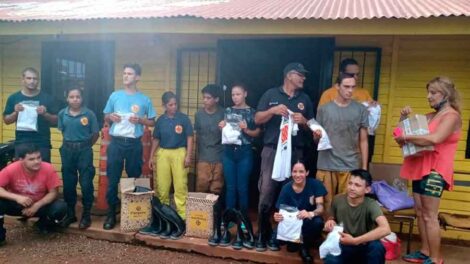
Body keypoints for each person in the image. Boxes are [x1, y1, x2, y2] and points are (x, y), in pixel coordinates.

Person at [395, 77, 461, 264]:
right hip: (420, 166)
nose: (428, 96)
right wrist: (403, 119)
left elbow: (435, 138)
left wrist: (407, 138)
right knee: (420, 211)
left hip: (435, 170)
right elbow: (401, 132)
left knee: (430, 215)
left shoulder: (452, 116)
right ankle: (425, 251)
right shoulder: (431, 116)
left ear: (445, 94)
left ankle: (435, 257)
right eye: (428, 92)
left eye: (433, 92)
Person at [254, 62, 314, 251]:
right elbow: (256, 119)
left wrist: (304, 122)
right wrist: (272, 111)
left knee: (290, 195)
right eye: (300, 75)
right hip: (272, 151)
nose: (304, 78)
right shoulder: (270, 95)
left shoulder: (305, 98)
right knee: (267, 193)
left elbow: (313, 128)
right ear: (289, 75)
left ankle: (285, 236)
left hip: (295, 152)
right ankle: (263, 234)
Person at [102, 63, 157, 230]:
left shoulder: (144, 99)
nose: (125, 76)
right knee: (113, 180)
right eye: (124, 73)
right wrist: (110, 116)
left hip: (134, 144)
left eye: (130, 73)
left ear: (137, 77)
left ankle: (134, 214)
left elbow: (152, 121)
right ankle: (111, 214)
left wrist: (140, 120)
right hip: (116, 143)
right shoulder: (114, 96)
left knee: (135, 178)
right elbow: (105, 115)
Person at [314, 72, 369, 211]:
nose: (350, 90)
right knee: (326, 204)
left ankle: (344, 233)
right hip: (326, 163)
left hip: (350, 164)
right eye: (346, 86)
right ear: (337, 86)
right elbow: (316, 141)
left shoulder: (361, 109)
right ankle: (326, 233)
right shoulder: (324, 109)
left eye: (353, 87)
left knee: (348, 204)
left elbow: (363, 140)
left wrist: (364, 167)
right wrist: (317, 136)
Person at [0, 144, 67, 246]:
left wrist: (36, 206)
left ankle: (43, 224)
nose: (37, 161)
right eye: (31, 159)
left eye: (38, 157)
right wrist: (17, 198)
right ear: (21, 160)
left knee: (60, 208)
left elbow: (53, 193)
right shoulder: (11, 169)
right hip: (17, 205)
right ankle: (1, 237)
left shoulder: (48, 169)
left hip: (39, 206)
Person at [323, 169, 391, 264]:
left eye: (357, 185)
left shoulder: (371, 204)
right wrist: (330, 222)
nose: (352, 188)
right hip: (344, 245)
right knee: (330, 255)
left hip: (364, 245)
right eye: (350, 183)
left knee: (377, 247)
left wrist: (355, 241)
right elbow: (332, 218)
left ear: (367, 189)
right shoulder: (337, 200)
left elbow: (386, 229)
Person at [318, 58, 378, 162]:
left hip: (355, 152)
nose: (355, 77)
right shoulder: (328, 94)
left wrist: (374, 108)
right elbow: (321, 125)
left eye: (357, 74)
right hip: (331, 152)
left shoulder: (364, 93)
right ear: (341, 74)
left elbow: (371, 124)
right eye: (351, 74)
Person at [58, 86, 99, 229]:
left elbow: (95, 134)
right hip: (67, 151)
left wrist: (84, 146)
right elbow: (63, 131)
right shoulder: (62, 114)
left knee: (86, 183)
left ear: (82, 98)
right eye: (71, 97)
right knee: (69, 184)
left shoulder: (89, 114)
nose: (75, 99)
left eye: (78, 97)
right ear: (67, 98)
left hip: (84, 152)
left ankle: (86, 215)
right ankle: (70, 214)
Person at [149, 91, 193, 220]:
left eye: (175, 104)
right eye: (170, 105)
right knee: (162, 186)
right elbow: (156, 139)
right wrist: (151, 156)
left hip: (179, 152)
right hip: (163, 153)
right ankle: (165, 215)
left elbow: (190, 137)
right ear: (164, 105)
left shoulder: (184, 119)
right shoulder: (160, 120)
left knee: (180, 185)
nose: (174, 107)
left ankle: (182, 216)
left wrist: (188, 155)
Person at [2, 67, 59, 162]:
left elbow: (56, 120)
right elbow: (6, 121)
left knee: (42, 174)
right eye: (29, 78)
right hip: (21, 142)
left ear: (38, 81)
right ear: (23, 80)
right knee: (21, 175)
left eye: (35, 78)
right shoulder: (14, 98)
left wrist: (45, 114)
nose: (32, 81)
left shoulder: (47, 98)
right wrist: (15, 112)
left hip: (42, 143)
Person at [274, 161, 326, 264]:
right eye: (294, 171)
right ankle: (296, 240)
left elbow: (320, 208)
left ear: (307, 172)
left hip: (307, 221)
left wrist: (310, 213)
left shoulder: (315, 184)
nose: (297, 175)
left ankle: (304, 247)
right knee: (283, 244)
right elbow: (280, 211)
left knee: (318, 222)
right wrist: (277, 217)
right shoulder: (286, 188)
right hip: (292, 224)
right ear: (291, 172)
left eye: (301, 171)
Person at [194, 84, 225, 195]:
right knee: (201, 186)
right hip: (203, 157)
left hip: (219, 157)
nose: (205, 101)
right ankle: (201, 212)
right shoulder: (198, 115)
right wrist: (196, 155)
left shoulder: (224, 113)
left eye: (208, 98)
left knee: (216, 188)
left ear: (216, 99)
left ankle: (214, 212)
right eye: (204, 98)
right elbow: (196, 136)